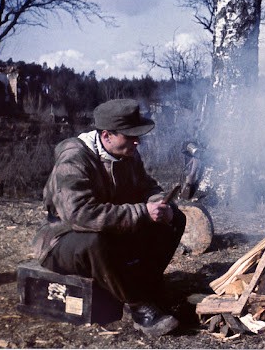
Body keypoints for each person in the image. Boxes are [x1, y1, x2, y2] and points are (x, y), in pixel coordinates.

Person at [32, 99, 186, 337]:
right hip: (64, 239)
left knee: (175, 219)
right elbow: (81, 214)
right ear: (106, 136)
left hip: (111, 229)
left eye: (138, 135)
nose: (137, 141)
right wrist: (143, 212)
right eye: (130, 135)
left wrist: (158, 201)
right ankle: (138, 306)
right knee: (95, 241)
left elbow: (146, 186)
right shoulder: (74, 159)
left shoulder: (127, 153)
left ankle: (147, 285)